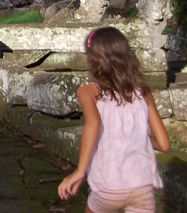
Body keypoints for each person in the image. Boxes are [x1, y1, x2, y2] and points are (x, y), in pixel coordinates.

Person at [58, 27, 170, 213]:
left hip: (108, 186)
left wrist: (80, 171)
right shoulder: (143, 91)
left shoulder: (89, 92)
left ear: (93, 61)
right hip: (142, 186)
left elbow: (93, 124)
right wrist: (135, 138)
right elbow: (164, 144)